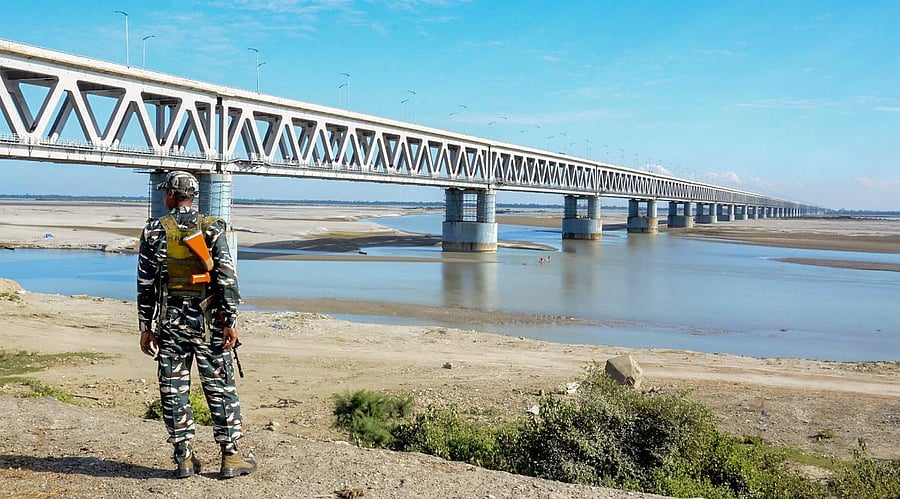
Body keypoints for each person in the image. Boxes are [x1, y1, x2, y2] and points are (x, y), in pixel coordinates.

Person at [137, 170, 257, 479]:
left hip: (169, 325)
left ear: (170, 196)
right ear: (193, 195)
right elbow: (227, 279)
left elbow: (145, 284)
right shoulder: (213, 228)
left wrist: (145, 327)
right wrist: (230, 321)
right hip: (208, 324)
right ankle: (230, 457)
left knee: (174, 389)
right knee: (219, 388)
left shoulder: (153, 231)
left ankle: (184, 459)